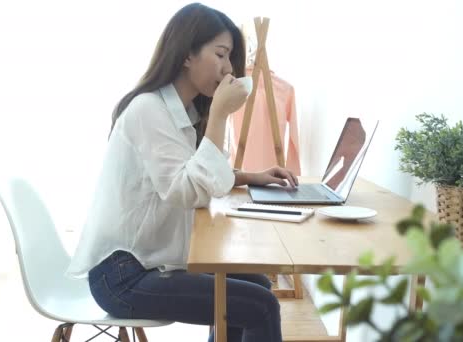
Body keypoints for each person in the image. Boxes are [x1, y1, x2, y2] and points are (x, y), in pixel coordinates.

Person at [66, 3, 298, 342]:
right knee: (260, 304)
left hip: (148, 261)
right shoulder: (148, 110)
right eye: (221, 54)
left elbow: (192, 173)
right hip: (123, 277)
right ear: (187, 55)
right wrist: (219, 115)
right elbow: (188, 190)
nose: (228, 67)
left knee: (258, 284)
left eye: (230, 57)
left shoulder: (181, 112)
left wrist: (250, 176)